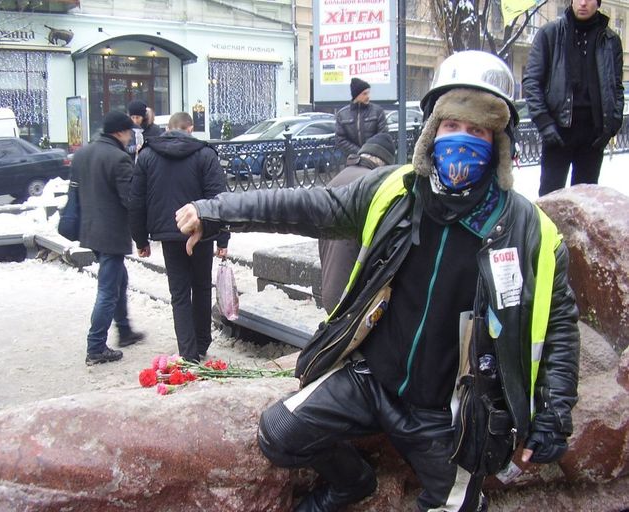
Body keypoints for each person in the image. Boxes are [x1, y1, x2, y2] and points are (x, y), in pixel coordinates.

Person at [175, 51, 580, 511]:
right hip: (369, 380)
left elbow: (561, 324)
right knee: (279, 433)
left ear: (499, 143)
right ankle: (352, 484)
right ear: (431, 133)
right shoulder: (395, 191)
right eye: (452, 127)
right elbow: (311, 208)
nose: (462, 141)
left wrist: (554, 413)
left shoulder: (530, 231)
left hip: (446, 414)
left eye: (478, 131)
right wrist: (215, 213)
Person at [129, 112, 229, 363]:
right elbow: (220, 200)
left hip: (168, 233)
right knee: (202, 287)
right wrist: (222, 239)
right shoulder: (205, 154)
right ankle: (202, 342)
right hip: (200, 231)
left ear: (168, 128)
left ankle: (188, 350)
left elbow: (136, 201)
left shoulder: (147, 156)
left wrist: (140, 240)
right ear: (190, 128)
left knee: (180, 292)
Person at [523, 0, 623, 196]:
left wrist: (612, 125)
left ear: (598, 3)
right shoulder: (550, 34)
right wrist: (544, 123)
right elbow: (532, 82)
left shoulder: (610, 41)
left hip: (594, 135)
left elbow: (616, 88)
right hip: (558, 131)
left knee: (585, 202)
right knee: (550, 199)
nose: (583, 3)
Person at [71, 110, 145, 365]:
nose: (129, 138)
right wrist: (143, 229)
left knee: (119, 281)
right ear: (120, 132)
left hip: (90, 229)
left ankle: (124, 330)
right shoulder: (119, 158)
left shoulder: (83, 153)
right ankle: (96, 346)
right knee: (107, 291)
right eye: (129, 133)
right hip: (111, 233)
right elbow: (130, 200)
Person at [318, 132, 396, 314]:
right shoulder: (374, 187)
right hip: (355, 297)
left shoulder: (334, 181)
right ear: (384, 163)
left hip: (331, 291)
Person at [335, 77, 388, 157]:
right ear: (356, 95)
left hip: (374, 158)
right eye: (364, 94)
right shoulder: (342, 115)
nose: (368, 96)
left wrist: (369, 152)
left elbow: (383, 135)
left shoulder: (377, 111)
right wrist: (360, 152)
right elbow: (340, 139)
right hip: (352, 159)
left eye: (368, 93)